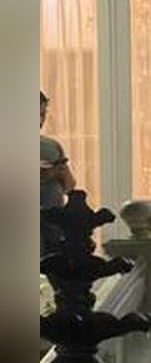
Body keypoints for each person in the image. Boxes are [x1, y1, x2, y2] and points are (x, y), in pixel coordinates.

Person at [40, 91, 75, 256]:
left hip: (53, 227)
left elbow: (69, 185)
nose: (40, 121)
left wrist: (61, 174)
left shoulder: (51, 146)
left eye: (42, 114)